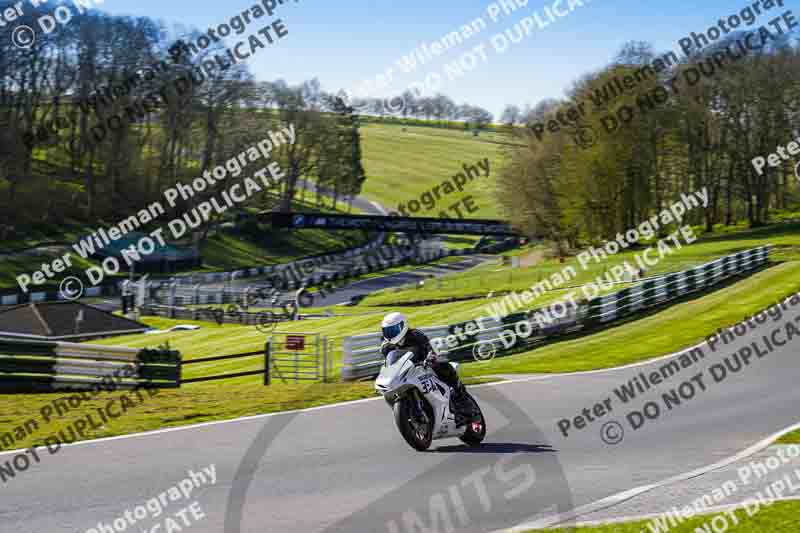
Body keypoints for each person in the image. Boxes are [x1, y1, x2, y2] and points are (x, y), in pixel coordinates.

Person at [380, 312, 469, 411]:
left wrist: (430, 357)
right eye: (387, 331)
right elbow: (389, 361)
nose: (390, 334)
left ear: (403, 325)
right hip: (406, 372)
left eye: (393, 330)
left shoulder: (415, 335)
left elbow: (429, 347)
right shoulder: (386, 346)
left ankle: (461, 395)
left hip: (424, 364)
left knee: (444, 367)